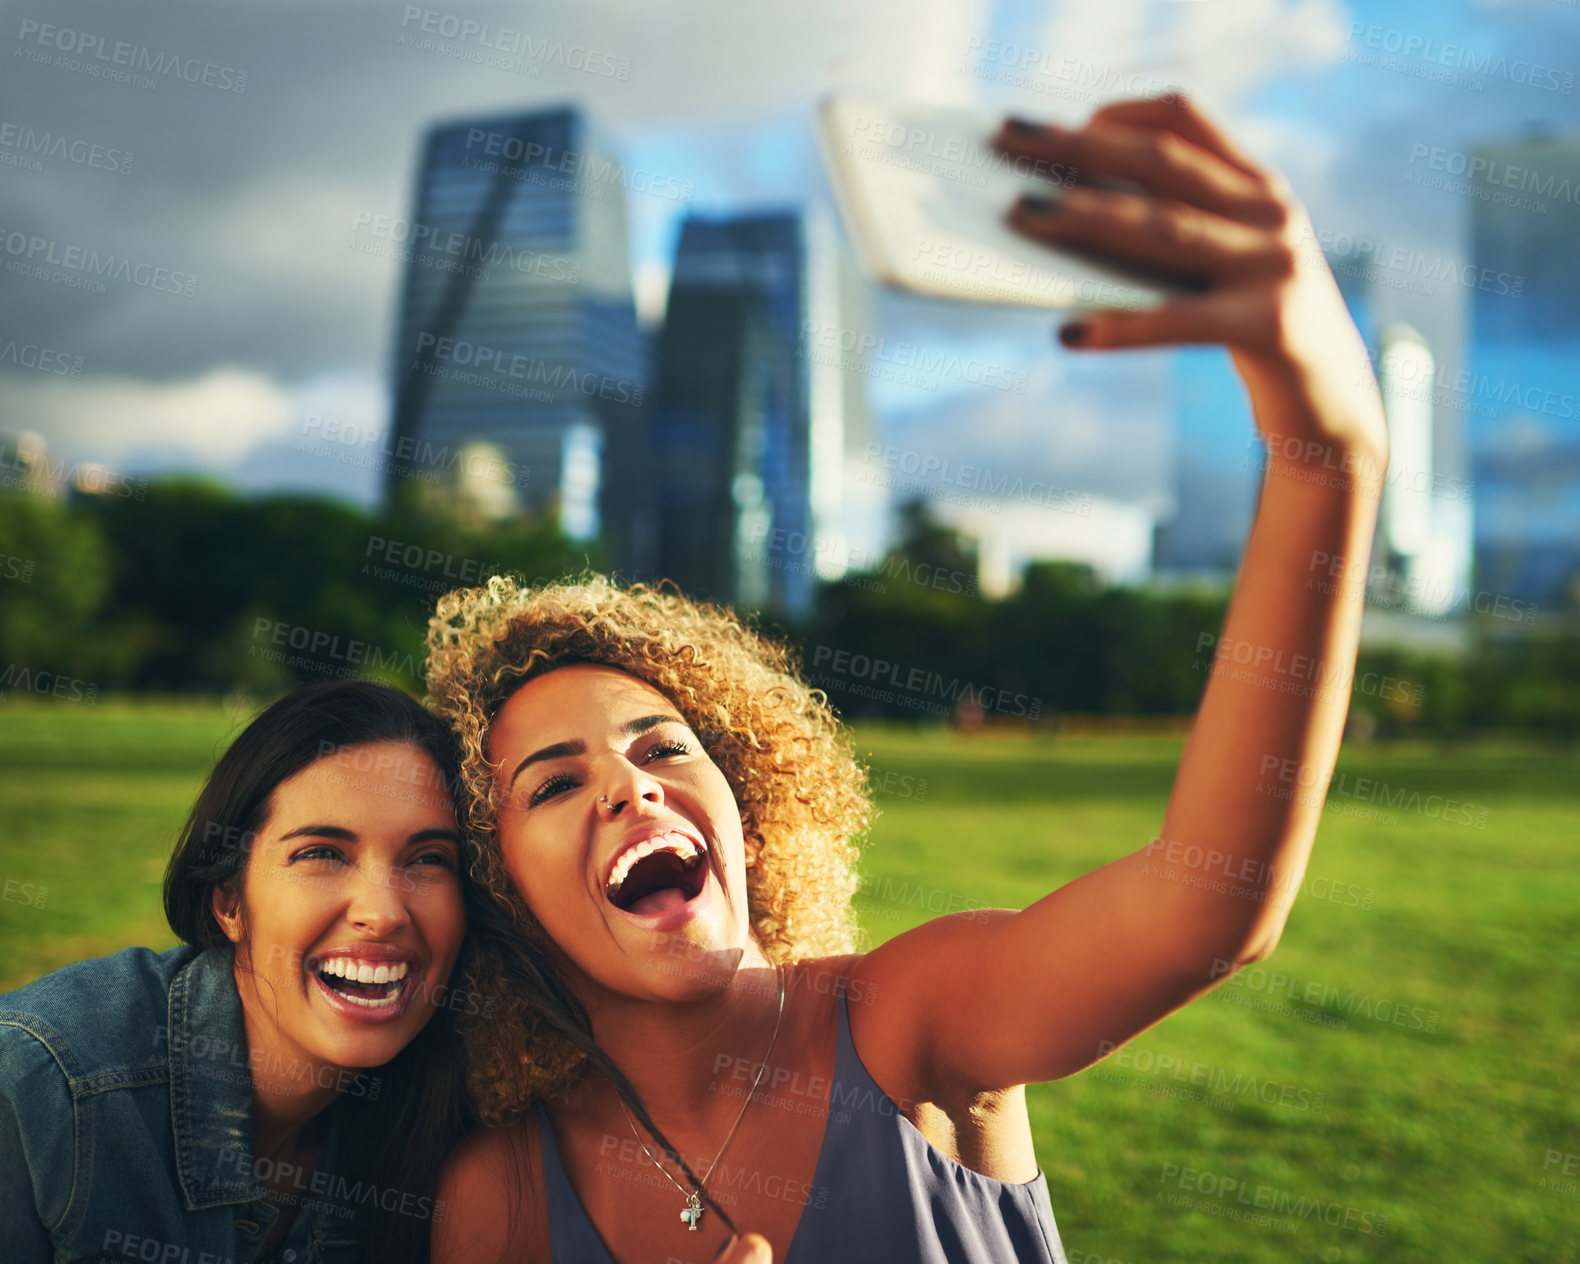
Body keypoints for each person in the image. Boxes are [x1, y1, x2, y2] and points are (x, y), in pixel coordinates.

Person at [426, 92, 1389, 1263]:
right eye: (551, 784)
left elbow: (1205, 904)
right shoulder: (499, 1198)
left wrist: (1326, 451)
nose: (631, 788)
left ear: (749, 801)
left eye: (663, 744)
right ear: (494, 880)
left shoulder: (907, 1022)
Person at [0, 681, 479, 1264]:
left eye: (429, 859)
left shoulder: (460, 1125)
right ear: (228, 901)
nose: (381, 913)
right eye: (322, 853)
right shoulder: (38, 1088)